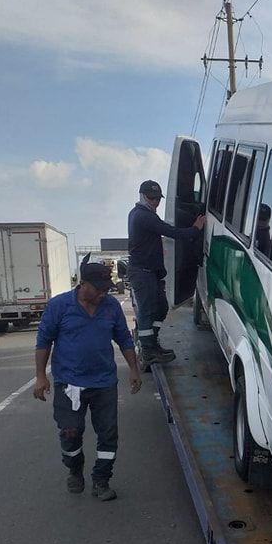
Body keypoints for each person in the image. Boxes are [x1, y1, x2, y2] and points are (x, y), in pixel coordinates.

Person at [33, 255, 142, 501]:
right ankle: (74, 468)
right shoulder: (59, 306)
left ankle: (101, 480)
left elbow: (124, 338)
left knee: (108, 434)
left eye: (107, 289)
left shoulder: (111, 306)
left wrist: (133, 369)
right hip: (69, 383)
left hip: (104, 383)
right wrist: (41, 376)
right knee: (70, 433)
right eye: (99, 289)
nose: (103, 294)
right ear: (84, 284)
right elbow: (43, 341)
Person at [127, 179, 205, 364]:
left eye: (157, 199)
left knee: (161, 308)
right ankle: (148, 350)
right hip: (142, 272)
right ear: (142, 196)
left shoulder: (142, 214)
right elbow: (172, 232)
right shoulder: (143, 216)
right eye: (151, 198)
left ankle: (152, 343)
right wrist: (195, 229)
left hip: (151, 273)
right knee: (147, 311)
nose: (155, 202)